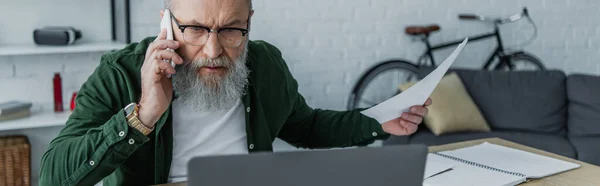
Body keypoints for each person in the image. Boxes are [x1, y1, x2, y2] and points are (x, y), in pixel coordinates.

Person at [39, 0, 432, 185]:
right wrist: (142, 115)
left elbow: (306, 126)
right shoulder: (120, 71)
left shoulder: (265, 64)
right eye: (194, 29)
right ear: (167, 24)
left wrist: (379, 122)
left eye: (231, 30)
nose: (213, 51)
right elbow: (54, 176)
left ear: (249, 23)